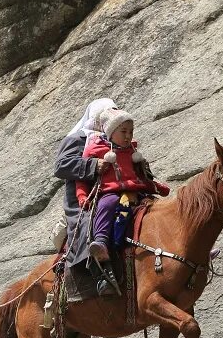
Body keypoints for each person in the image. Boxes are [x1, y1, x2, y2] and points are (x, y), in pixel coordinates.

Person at [76, 109, 170, 296]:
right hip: (110, 192)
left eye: (131, 132)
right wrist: (82, 196)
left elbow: (142, 177)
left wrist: (153, 186)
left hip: (135, 192)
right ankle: (101, 242)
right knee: (107, 204)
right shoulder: (97, 152)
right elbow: (81, 179)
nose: (128, 136)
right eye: (123, 132)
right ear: (111, 132)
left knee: (158, 209)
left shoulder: (133, 153)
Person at [54, 98, 117, 268]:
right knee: (88, 223)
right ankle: (90, 272)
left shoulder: (115, 139)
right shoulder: (77, 138)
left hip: (115, 191)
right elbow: (61, 165)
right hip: (83, 197)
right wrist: (94, 165)